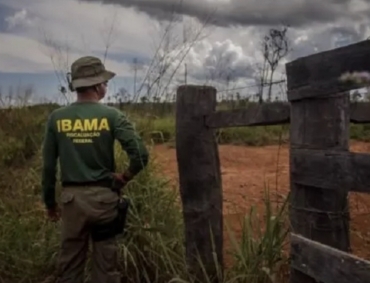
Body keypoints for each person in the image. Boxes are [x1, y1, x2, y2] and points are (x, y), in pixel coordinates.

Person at [41, 56, 149, 283]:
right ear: (98, 86)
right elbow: (140, 154)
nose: (106, 87)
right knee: (106, 269)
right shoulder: (112, 116)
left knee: (69, 267)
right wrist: (125, 177)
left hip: (72, 203)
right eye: (105, 83)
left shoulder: (56, 118)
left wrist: (50, 204)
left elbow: (48, 168)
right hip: (104, 201)